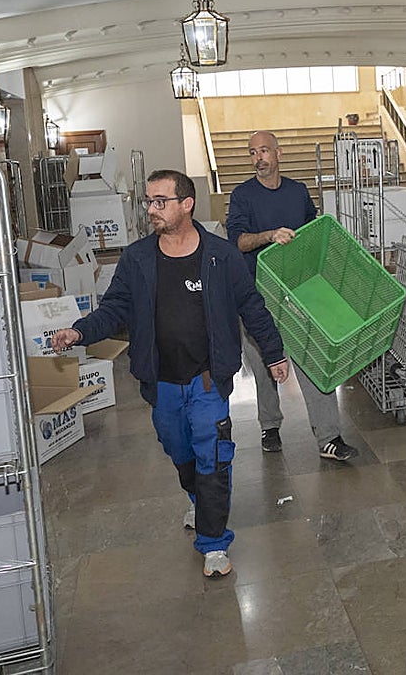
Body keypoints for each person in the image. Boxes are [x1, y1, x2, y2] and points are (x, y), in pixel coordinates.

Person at [50, 169, 288, 578]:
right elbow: (114, 308)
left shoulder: (221, 256)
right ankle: (199, 500)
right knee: (180, 452)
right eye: (148, 201)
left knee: (212, 453)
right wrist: (79, 331)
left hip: (208, 380)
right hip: (161, 381)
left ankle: (214, 543)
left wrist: (274, 353)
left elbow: (252, 306)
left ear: (186, 204)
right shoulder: (138, 258)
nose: (151, 210)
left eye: (160, 201)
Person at [226, 130, 359, 462]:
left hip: (297, 294)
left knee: (313, 361)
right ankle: (269, 425)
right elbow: (238, 242)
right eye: (253, 152)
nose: (259, 158)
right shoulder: (243, 195)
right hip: (256, 295)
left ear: (278, 153)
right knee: (263, 364)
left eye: (264, 151)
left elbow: (314, 234)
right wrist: (270, 235)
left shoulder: (298, 192)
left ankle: (329, 437)